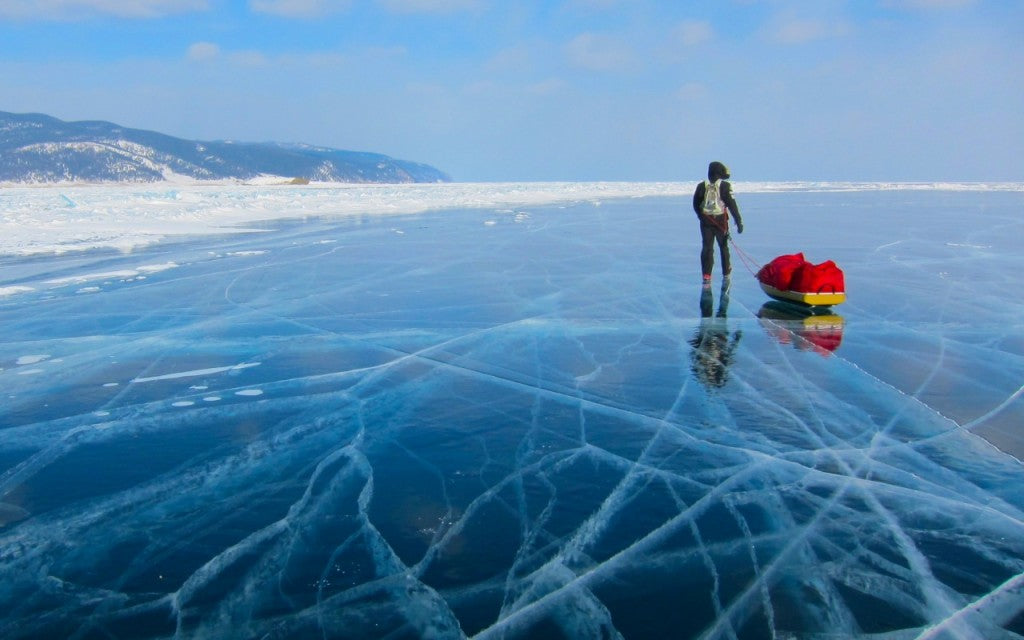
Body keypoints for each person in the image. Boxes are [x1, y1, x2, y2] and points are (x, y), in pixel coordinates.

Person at [692, 161, 743, 284]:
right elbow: (732, 204)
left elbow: (695, 204)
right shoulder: (724, 186)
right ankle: (726, 272)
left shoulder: (701, 186)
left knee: (707, 247)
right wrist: (738, 221)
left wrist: (701, 216)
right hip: (721, 221)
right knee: (723, 247)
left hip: (706, 222)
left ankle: (706, 274)